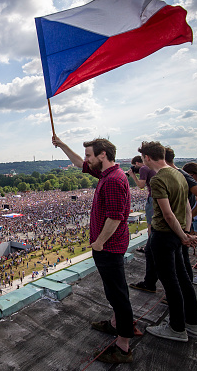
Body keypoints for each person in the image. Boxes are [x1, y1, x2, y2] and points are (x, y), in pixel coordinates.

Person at [52, 135, 133, 364]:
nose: (87, 159)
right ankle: (116, 324)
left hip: (109, 246)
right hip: (109, 245)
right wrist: (63, 145)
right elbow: (79, 163)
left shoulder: (114, 180)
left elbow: (115, 217)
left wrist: (99, 242)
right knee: (114, 291)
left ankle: (123, 346)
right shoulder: (107, 173)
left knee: (118, 294)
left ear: (102, 155)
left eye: (90, 155)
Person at [139, 141, 197, 342]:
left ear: (148, 157)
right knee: (184, 279)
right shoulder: (179, 174)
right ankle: (192, 323)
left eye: (142, 158)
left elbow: (167, 214)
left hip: (164, 235)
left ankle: (176, 328)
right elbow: (187, 208)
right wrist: (184, 232)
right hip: (177, 233)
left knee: (171, 282)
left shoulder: (158, 179)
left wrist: (183, 236)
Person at [130, 147, 197, 291]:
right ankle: (153, 283)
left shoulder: (177, 175)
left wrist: (188, 223)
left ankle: (180, 295)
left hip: (173, 227)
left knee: (177, 268)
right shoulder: (178, 174)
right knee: (161, 256)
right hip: (177, 225)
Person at [126, 155, 157, 293]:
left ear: (138, 163)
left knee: (150, 225)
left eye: (134, 166)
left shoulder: (144, 168)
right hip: (156, 198)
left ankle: (150, 243)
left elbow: (141, 186)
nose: (135, 169)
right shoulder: (152, 168)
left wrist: (133, 175)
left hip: (153, 199)